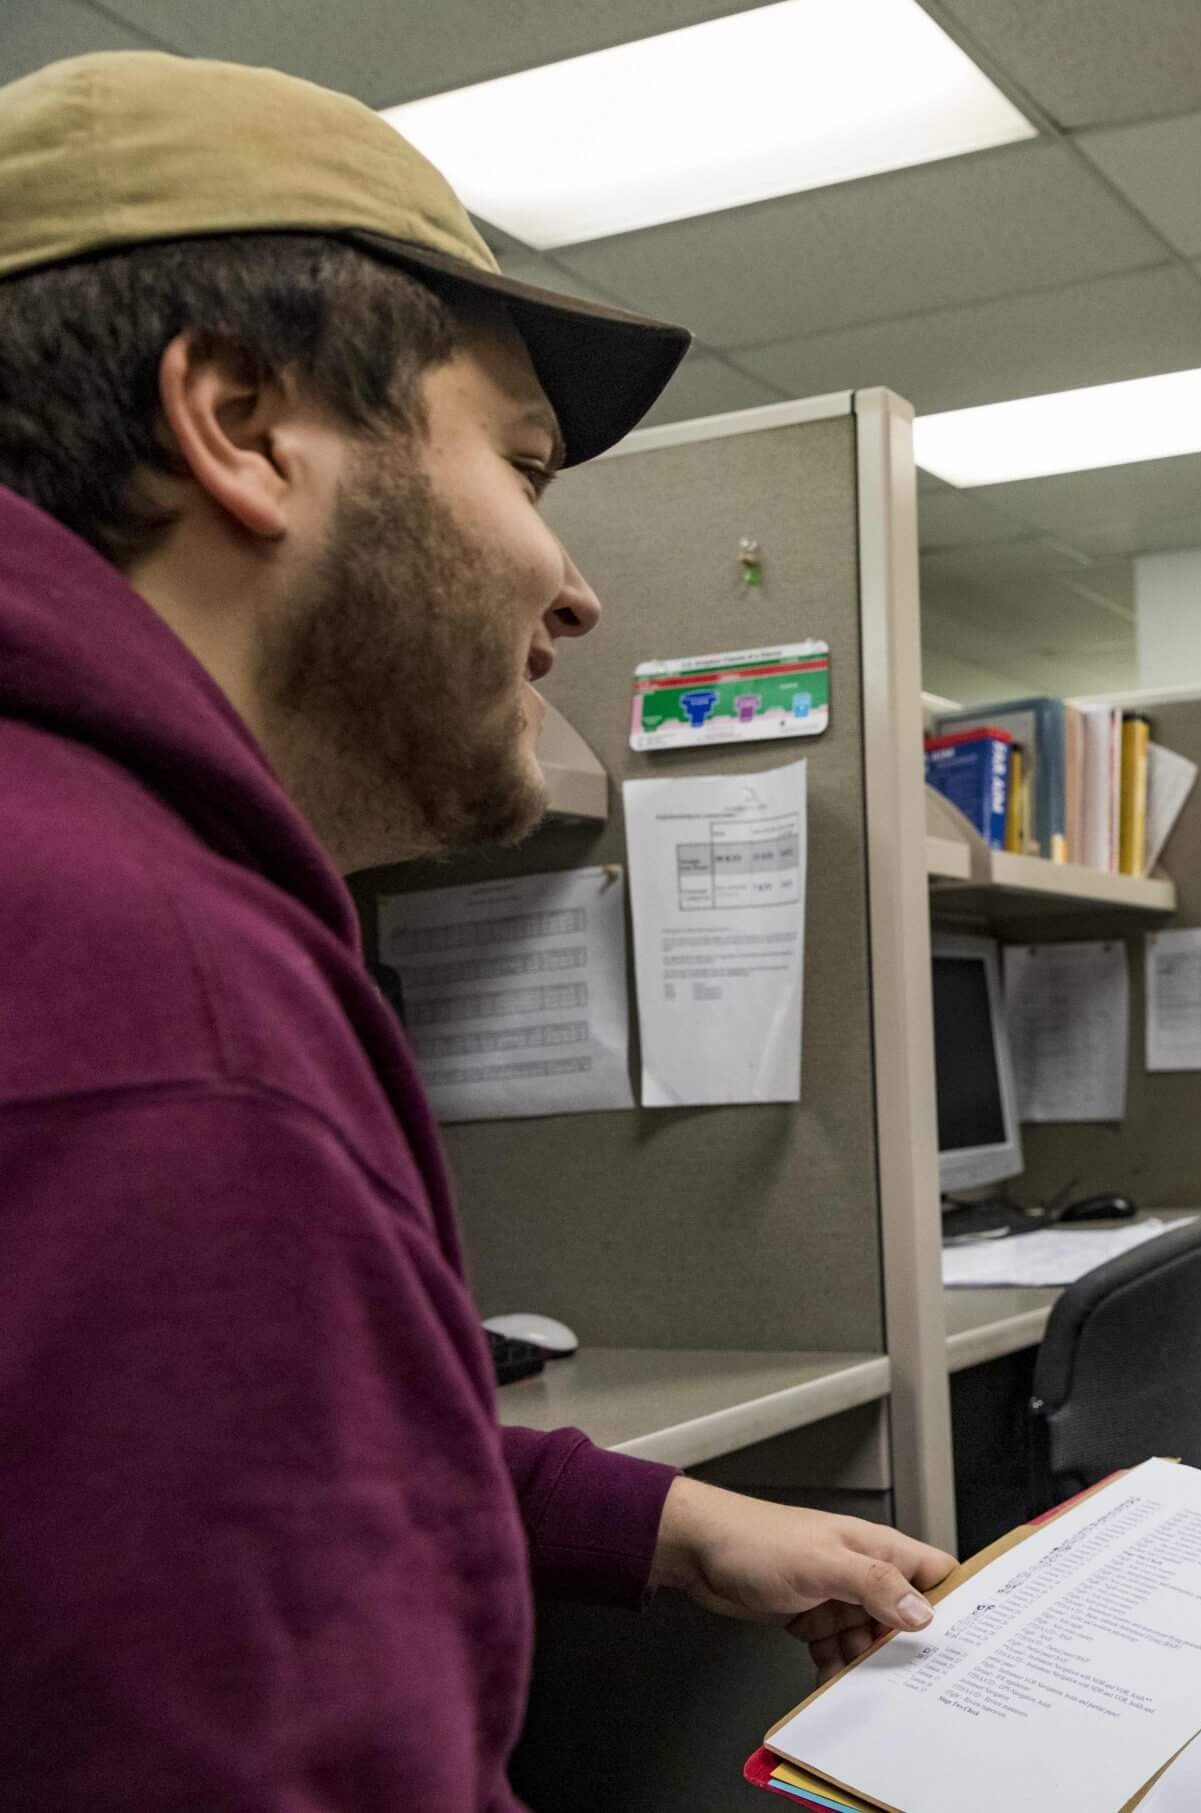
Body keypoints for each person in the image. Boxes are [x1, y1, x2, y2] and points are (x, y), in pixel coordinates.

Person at [0, 53, 953, 1803]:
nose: (576, 584)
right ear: (240, 423)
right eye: (523, 465)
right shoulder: (158, 1011)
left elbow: (223, 1469)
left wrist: (660, 1515)